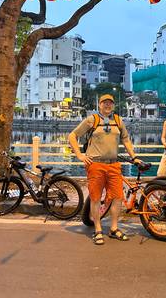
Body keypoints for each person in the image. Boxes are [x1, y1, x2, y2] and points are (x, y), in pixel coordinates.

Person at [68, 94, 141, 245]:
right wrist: (80, 155)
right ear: (99, 104)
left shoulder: (118, 120)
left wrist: (134, 157)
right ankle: (98, 229)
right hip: (95, 164)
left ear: (113, 105)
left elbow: (126, 139)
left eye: (110, 103)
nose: (107, 105)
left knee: (118, 197)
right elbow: (72, 136)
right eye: (104, 103)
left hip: (114, 164)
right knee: (95, 198)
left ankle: (114, 228)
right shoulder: (92, 120)